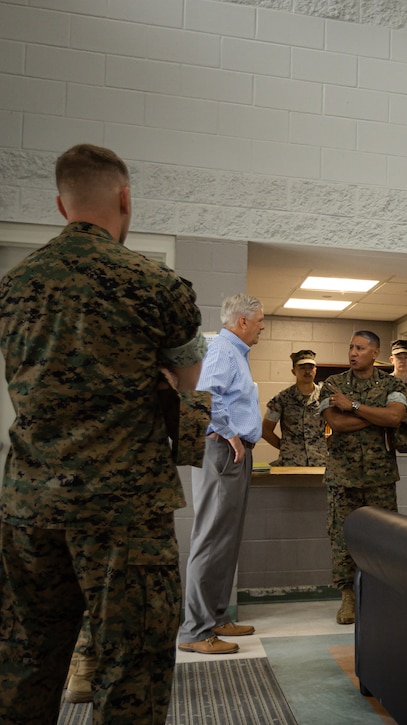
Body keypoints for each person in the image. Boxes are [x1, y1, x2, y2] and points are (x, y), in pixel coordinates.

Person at [0, 143, 205, 723]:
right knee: (131, 667)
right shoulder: (156, 284)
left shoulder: (13, 285)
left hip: (28, 505)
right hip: (123, 511)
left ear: (61, 205)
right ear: (125, 197)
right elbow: (189, 387)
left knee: (26, 657)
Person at [178, 294, 266, 656]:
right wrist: (229, 432)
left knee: (226, 540)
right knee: (212, 538)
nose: (263, 326)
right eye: (260, 320)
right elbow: (203, 395)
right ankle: (195, 630)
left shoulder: (236, 353)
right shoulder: (222, 348)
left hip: (234, 454)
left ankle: (215, 618)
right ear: (242, 321)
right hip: (223, 452)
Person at [320, 331, 407, 624]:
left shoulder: (393, 384)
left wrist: (354, 406)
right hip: (343, 477)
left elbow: (395, 418)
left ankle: (381, 594)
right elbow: (336, 422)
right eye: (351, 347)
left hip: (380, 477)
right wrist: (375, 416)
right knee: (341, 536)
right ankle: (348, 598)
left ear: (375, 352)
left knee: (384, 539)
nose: (353, 352)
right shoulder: (332, 384)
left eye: (360, 348)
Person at [262, 349, 328, 467]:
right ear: (293, 371)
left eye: (310, 367)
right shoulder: (282, 398)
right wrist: (285, 447)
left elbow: (339, 425)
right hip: (291, 463)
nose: (307, 371)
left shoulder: (325, 397)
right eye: (302, 367)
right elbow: (265, 430)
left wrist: (323, 445)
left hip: (319, 462)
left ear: (315, 370)